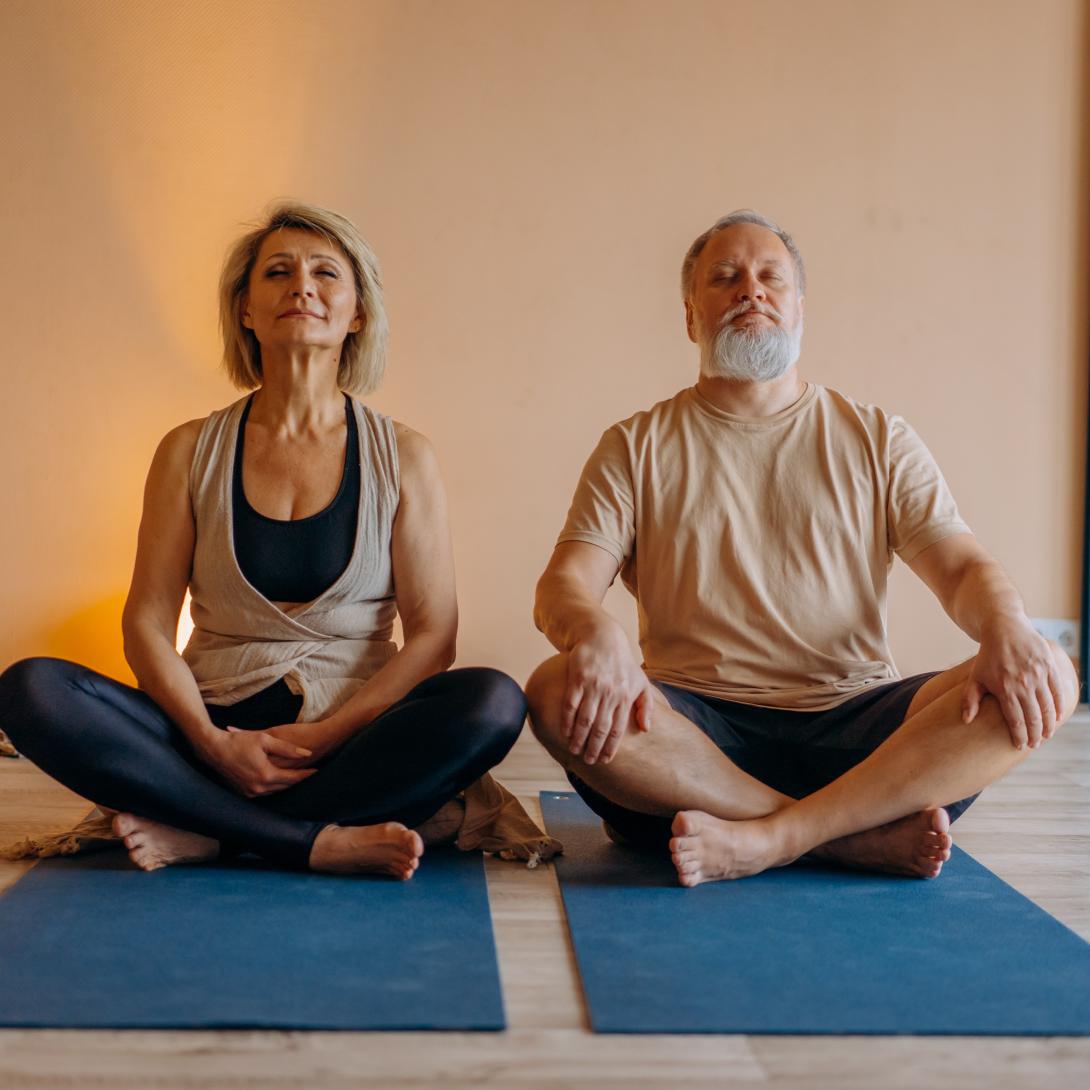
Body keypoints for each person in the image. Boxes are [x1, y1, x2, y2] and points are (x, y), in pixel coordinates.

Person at [525, 209, 1079, 887]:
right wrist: (595, 633)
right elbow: (565, 586)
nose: (749, 290)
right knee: (554, 689)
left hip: (858, 735)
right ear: (690, 316)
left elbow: (961, 568)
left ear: (799, 310)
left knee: (1049, 670)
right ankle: (840, 839)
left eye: (770, 278)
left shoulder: (878, 437)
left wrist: (1008, 628)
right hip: (694, 742)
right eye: (724, 277)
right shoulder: (634, 445)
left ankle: (777, 837)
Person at [0, 201, 532, 879]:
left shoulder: (406, 455)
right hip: (207, 733)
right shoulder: (188, 450)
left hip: (350, 739)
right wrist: (211, 742)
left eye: (325, 274)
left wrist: (321, 737)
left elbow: (434, 637)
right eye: (277, 272)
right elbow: (146, 623)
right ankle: (310, 839)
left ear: (357, 313)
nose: (301, 286)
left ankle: (212, 833)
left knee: (492, 701)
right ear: (246, 310)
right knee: (30, 688)